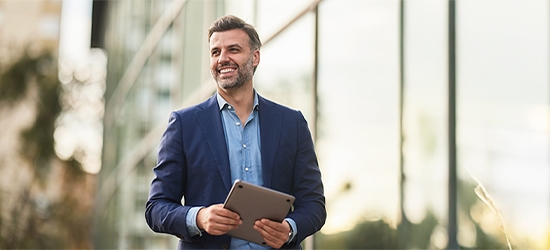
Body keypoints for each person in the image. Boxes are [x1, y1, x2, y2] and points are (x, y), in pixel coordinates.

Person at [145, 15, 326, 249]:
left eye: (233, 49)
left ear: (255, 56)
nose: (222, 59)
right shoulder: (183, 124)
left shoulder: (292, 123)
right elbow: (156, 207)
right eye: (215, 52)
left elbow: (314, 204)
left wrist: (290, 228)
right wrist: (199, 218)